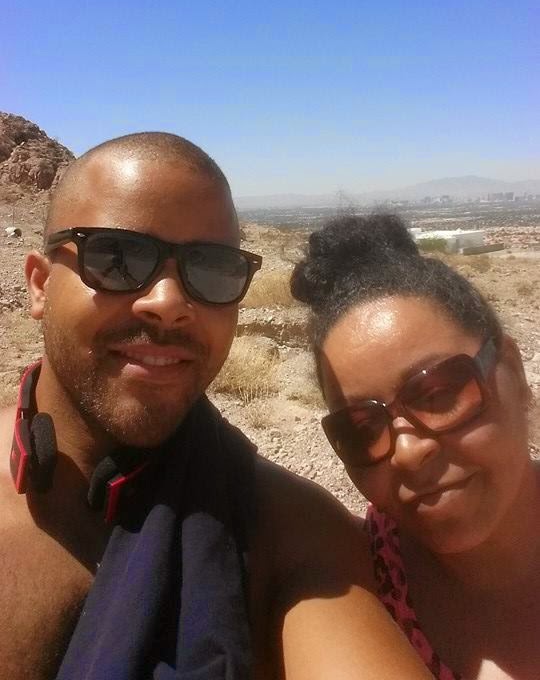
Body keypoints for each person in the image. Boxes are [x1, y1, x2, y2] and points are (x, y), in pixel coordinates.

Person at [0, 135, 431, 680]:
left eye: (212, 269)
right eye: (117, 258)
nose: (169, 303)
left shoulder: (291, 532)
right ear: (39, 285)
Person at [291, 213, 540, 680]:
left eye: (439, 393)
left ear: (513, 369)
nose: (406, 453)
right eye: (361, 429)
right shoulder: (359, 589)